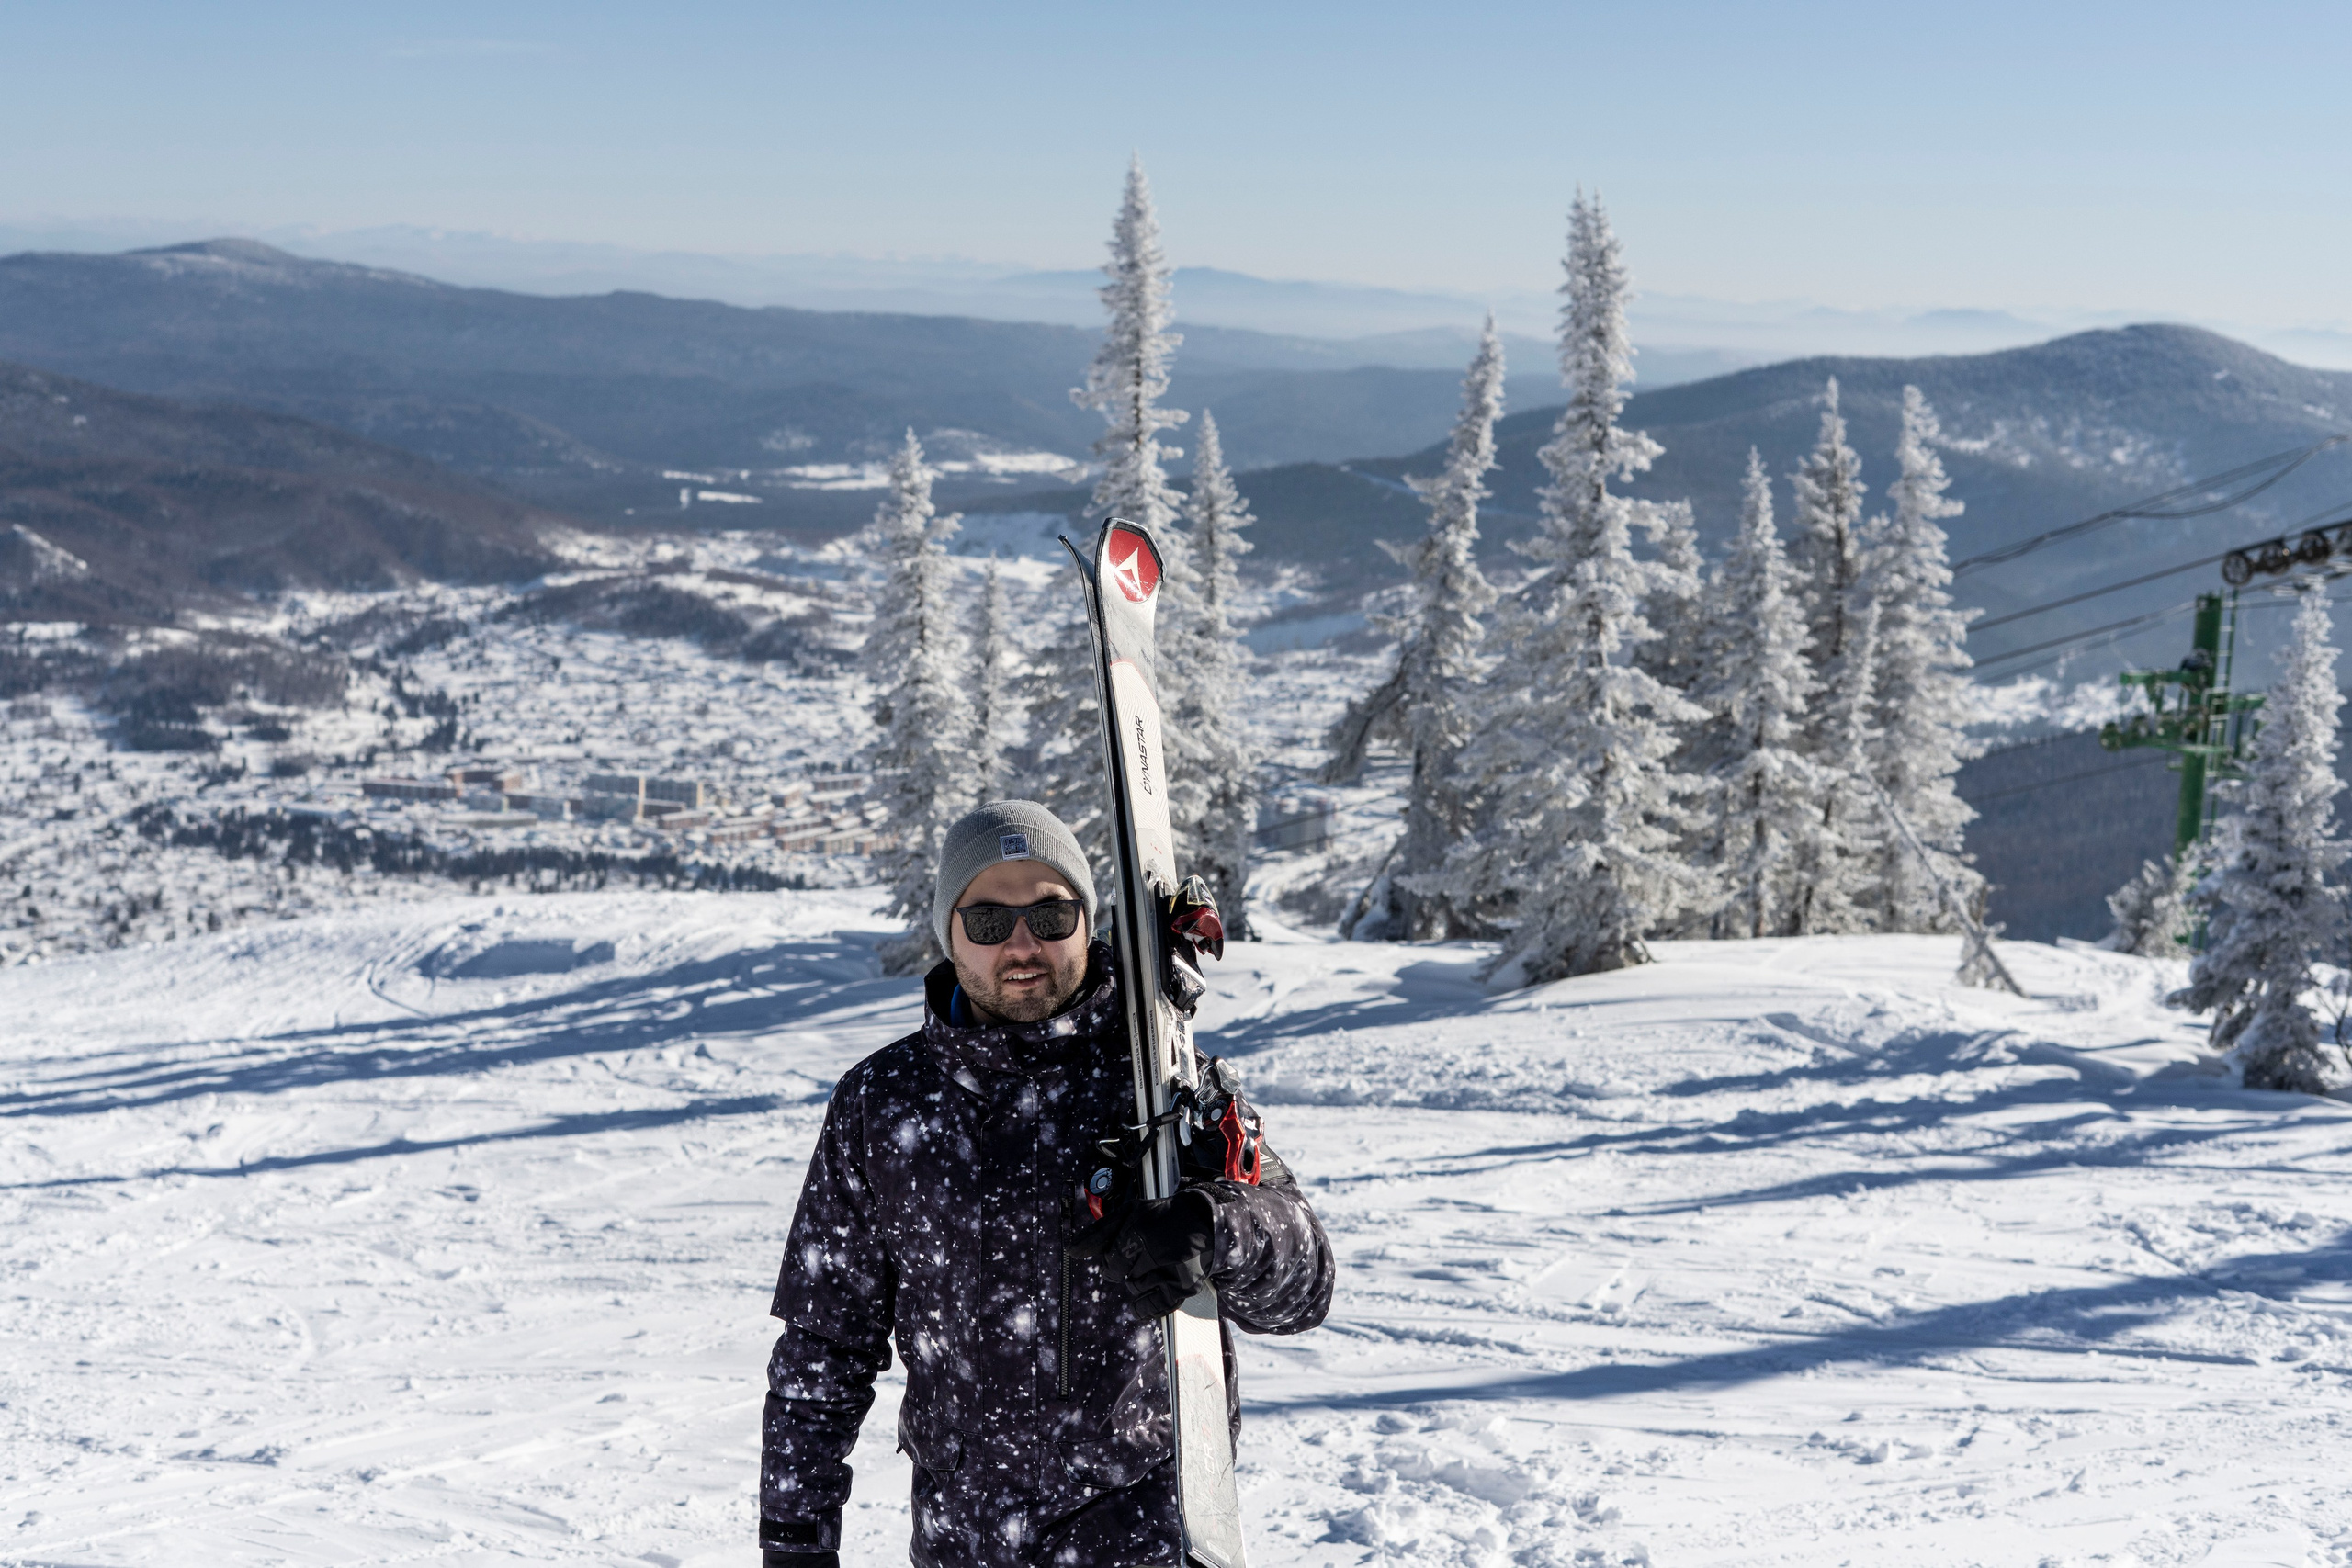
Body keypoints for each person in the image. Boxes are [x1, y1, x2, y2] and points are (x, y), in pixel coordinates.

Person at [760, 799, 1333, 1568]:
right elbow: (824, 1342)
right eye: (991, 920)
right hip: (962, 1544)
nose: (1023, 944)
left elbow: (1307, 1285)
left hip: (1149, 1536)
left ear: (1086, 922)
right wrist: (796, 1539)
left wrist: (1217, 1227)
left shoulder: (1163, 1083)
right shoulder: (882, 1105)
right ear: (950, 931)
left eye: (1052, 914)